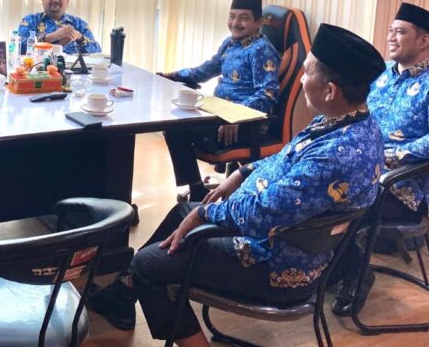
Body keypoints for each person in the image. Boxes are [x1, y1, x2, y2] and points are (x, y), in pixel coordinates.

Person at [87, 23, 385, 346]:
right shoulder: (351, 124)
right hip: (276, 238)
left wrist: (206, 214)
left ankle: (134, 284)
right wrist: (241, 174)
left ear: (331, 91)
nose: (300, 79)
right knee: (182, 213)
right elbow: (284, 158)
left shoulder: (336, 155)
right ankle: (123, 292)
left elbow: (264, 213)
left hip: (276, 264)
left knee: (150, 265)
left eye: (307, 72)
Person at [331, 2, 429, 316]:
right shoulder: (381, 74)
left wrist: (395, 155)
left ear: (424, 41)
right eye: (390, 31)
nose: (391, 38)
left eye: (400, 32)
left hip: (400, 186)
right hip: (356, 167)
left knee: (336, 200)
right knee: (314, 187)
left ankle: (355, 274)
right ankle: (332, 266)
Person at [160, 0, 280, 201]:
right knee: (174, 124)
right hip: (220, 115)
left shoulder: (262, 50)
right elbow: (204, 71)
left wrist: (236, 115)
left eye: (243, 18)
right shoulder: (230, 43)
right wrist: (173, 75)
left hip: (246, 123)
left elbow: (268, 93)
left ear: (258, 22)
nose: (235, 23)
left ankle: (197, 191)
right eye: (232, 16)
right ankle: (197, 188)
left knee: (177, 130)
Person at [18, 0, 101, 55]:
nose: (55, 0)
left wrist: (79, 37)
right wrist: (52, 37)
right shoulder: (30, 20)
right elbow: (19, 46)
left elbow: (97, 51)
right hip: (41, 65)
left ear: (67, 1)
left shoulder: (79, 23)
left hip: (73, 65)